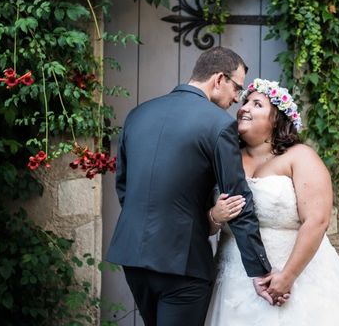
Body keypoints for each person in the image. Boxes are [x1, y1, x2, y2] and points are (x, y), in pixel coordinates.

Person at [106, 48, 287, 326]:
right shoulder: (218, 124)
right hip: (183, 264)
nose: (237, 98)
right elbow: (239, 200)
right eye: (237, 87)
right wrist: (259, 271)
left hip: (133, 258)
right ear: (218, 79)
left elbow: (125, 188)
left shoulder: (138, 114)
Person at [205, 78, 339, 325]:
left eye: (257, 104)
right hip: (232, 280)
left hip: (295, 278)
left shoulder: (300, 157)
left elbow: (317, 219)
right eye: (245, 102)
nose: (244, 108)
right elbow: (201, 224)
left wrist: (288, 276)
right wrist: (215, 217)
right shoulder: (222, 158)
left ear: (276, 119)